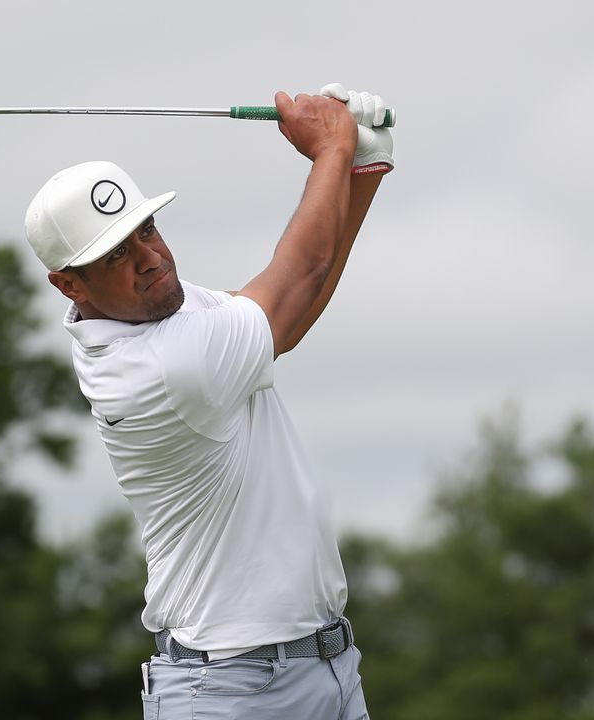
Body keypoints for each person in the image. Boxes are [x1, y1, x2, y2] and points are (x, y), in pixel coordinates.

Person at [22, 83, 393, 720]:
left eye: (147, 230)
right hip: (229, 694)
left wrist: (358, 173)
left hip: (327, 671)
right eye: (116, 255)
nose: (150, 260)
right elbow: (294, 283)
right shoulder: (162, 366)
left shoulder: (162, 312)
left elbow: (287, 317)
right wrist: (330, 153)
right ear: (68, 283)